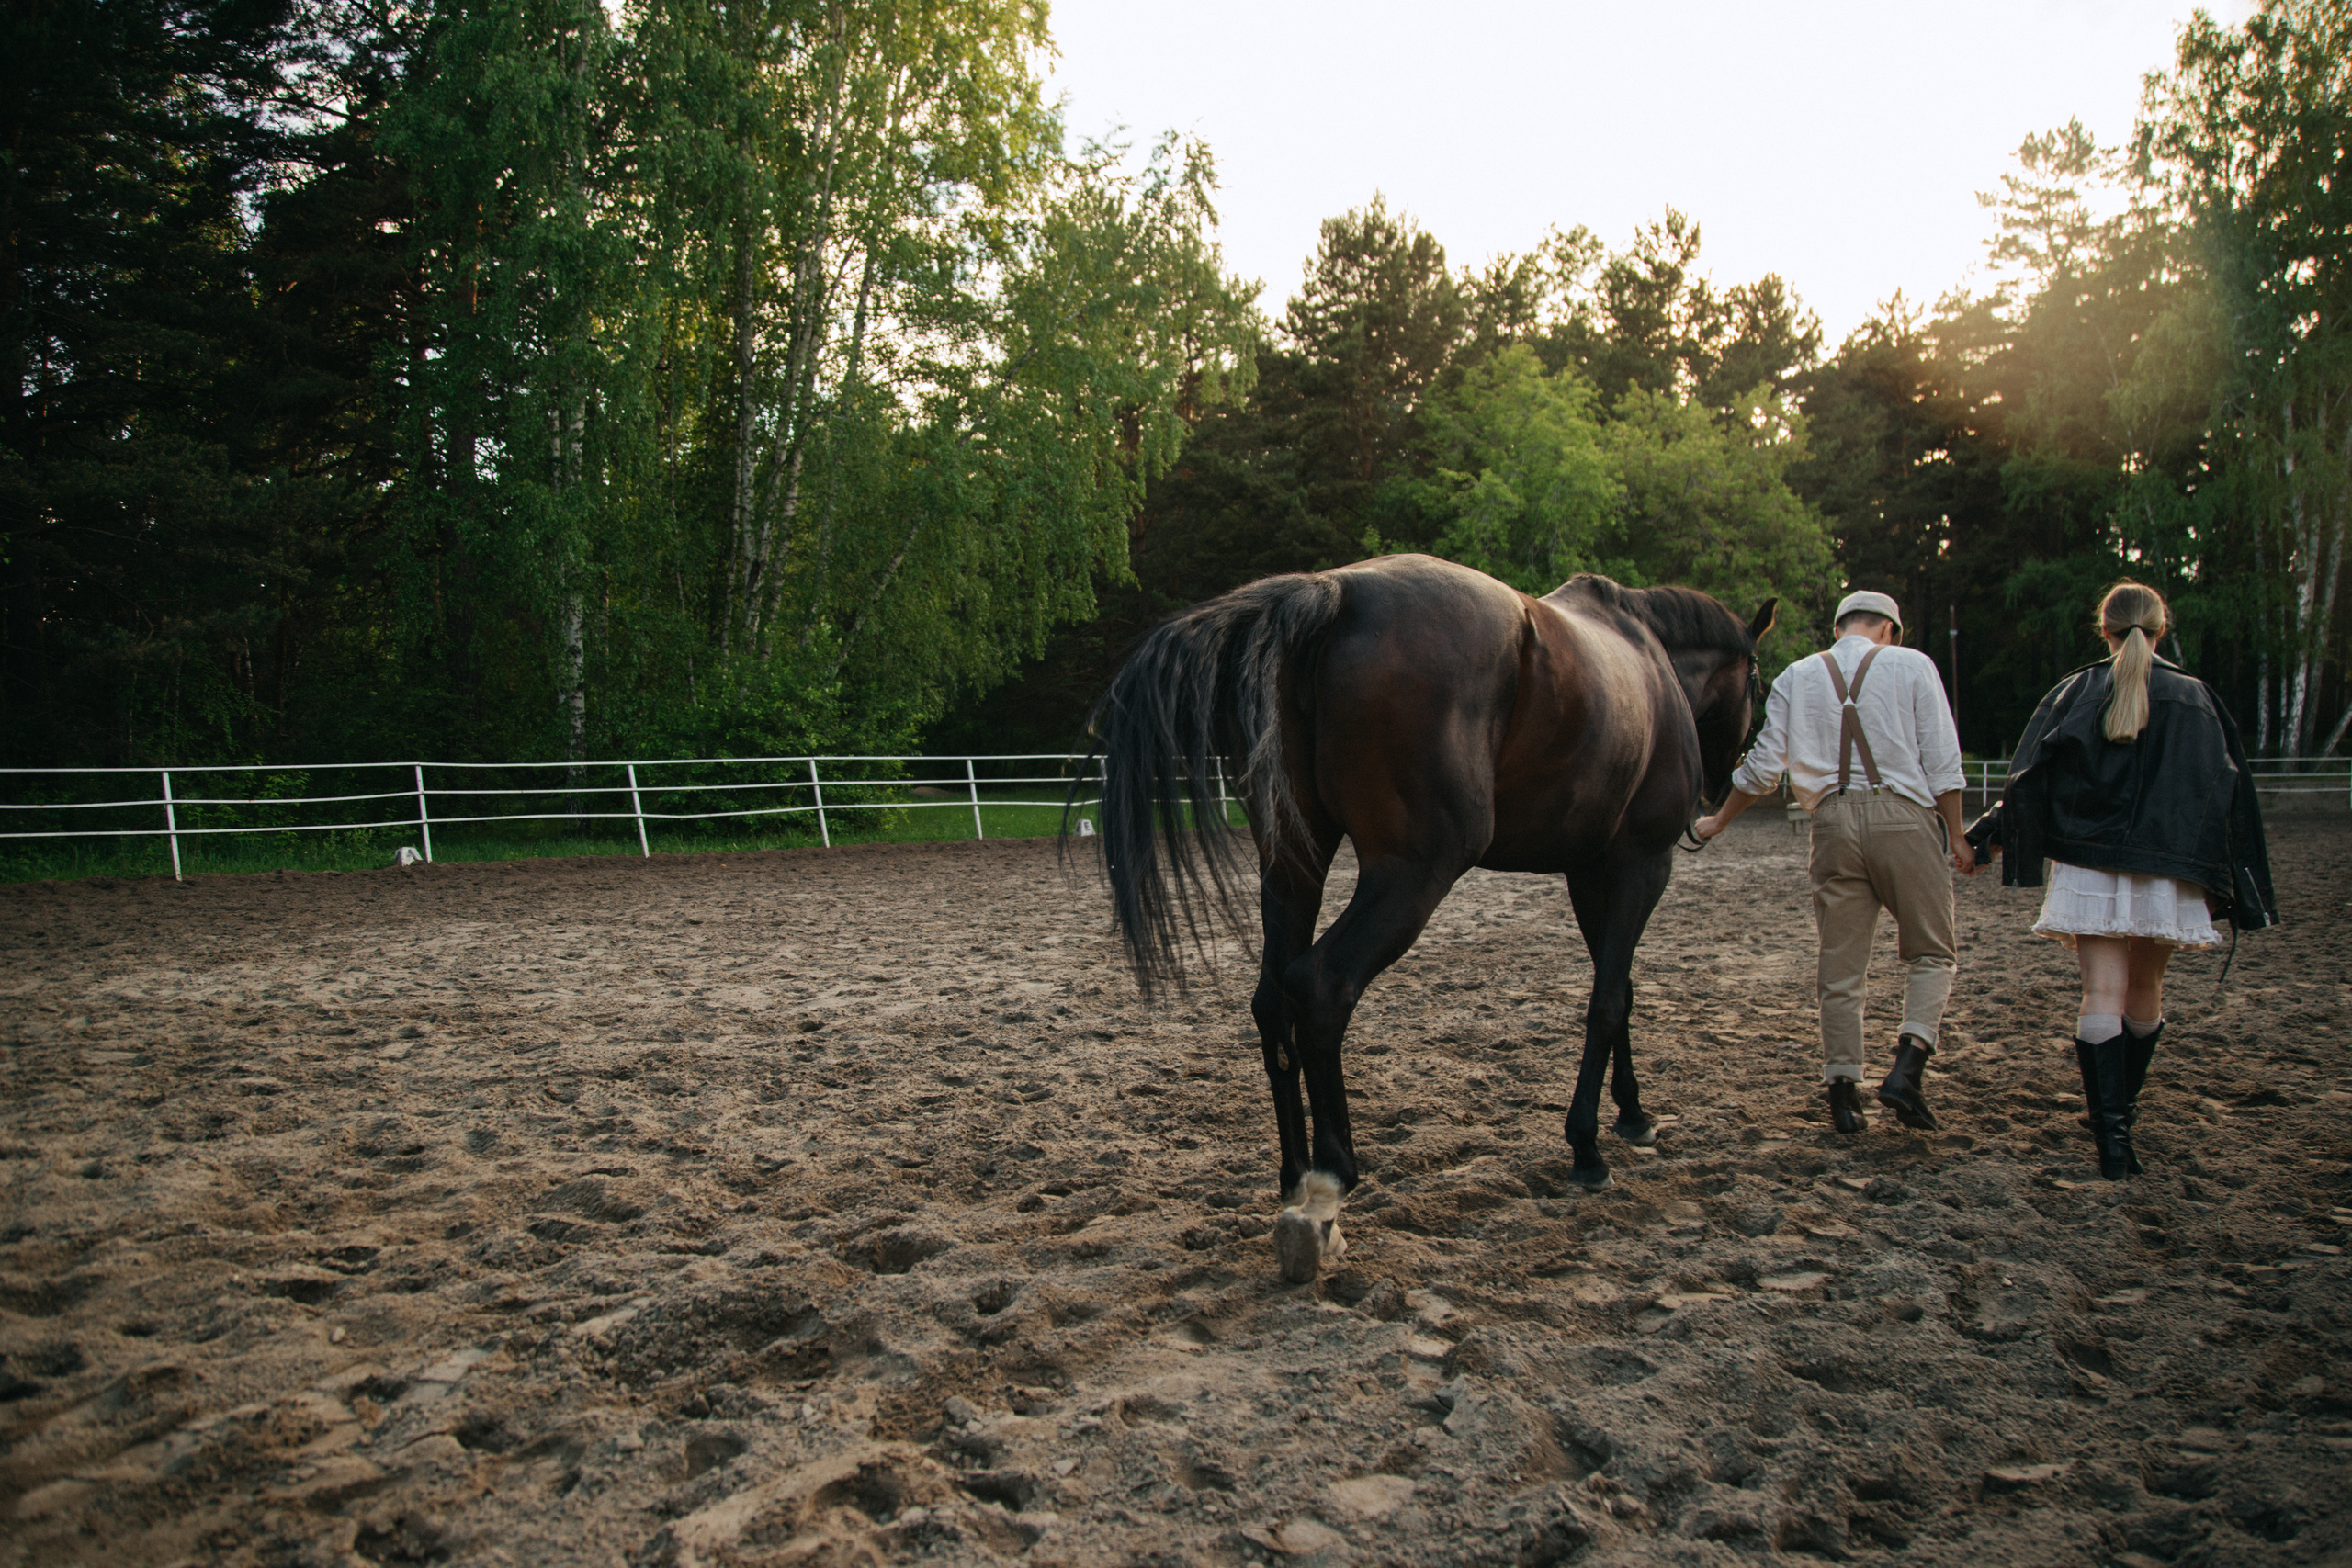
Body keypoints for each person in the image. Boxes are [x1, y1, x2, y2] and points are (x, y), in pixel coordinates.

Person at [1966, 582, 2275, 1180]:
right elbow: (2225, 794)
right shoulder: (2198, 698)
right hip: (2167, 868)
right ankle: (2122, 1116)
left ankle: (2110, 1140)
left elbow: (2032, 782)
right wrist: (2229, 880)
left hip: (2089, 863)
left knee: (2100, 994)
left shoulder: (2075, 691)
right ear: (2162, 628)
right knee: (2146, 990)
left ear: (2103, 630)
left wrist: (1984, 839)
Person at [1694, 590, 1972, 1134]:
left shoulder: (1798, 675)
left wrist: (1717, 821)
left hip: (1831, 823)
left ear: (1839, 628)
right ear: (1889, 630)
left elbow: (1764, 766)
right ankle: (1908, 1068)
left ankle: (1844, 1094)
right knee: (1932, 952)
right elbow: (1942, 758)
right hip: (1904, 819)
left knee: (1841, 966)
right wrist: (1958, 835)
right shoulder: (1913, 665)